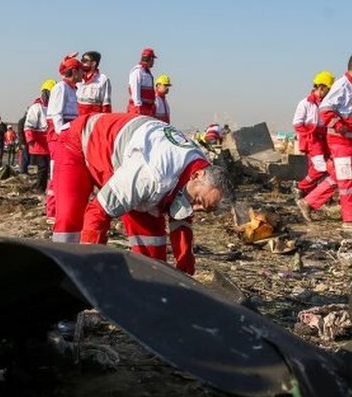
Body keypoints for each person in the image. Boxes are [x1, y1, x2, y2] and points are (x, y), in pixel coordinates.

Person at [51, 112, 232, 275]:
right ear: (196, 176)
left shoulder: (200, 167)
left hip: (125, 155)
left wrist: (185, 264)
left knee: (152, 249)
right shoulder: (152, 175)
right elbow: (98, 212)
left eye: (204, 208)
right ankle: (60, 275)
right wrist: (89, 267)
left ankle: (152, 290)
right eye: (198, 201)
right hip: (79, 142)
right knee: (70, 220)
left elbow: (181, 218)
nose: (195, 208)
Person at [299, 52, 352, 225]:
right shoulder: (343, 85)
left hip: (348, 142)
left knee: (340, 177)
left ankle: (307, 202)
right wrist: (339, 125)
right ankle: (351, 219)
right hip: (341, 142)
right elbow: (325, 108)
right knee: (347, 181)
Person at [47, 55, 83, 224]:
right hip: (59, 137)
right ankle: (52, 212)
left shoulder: (72, 88)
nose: (83, 73)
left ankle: (59, 210)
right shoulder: (60, 87)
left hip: (67, 134)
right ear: (74, 71)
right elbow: (56, 115)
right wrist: (63, 133)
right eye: (81, 70)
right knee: (56, 175)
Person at [291, 70, 333, 197]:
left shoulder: (327, 103)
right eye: (328, 89)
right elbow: (297, 123)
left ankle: (309, 193)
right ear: (321, 87)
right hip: (312, 138)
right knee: (321, 167)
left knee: (315, 167)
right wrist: (309, 135)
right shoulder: (305, 103)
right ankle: (301, 187)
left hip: (324, 138)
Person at [24, 79, 54, 210]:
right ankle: (39, 188)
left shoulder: (53, 107)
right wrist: (30, 140)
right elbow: (28, 126)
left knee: (49, 168)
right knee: (42, 168)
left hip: (50, 143)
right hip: (39, 144)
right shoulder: (36, 108)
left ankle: (46, 187)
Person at [77, 51, 112, 115]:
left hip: (93, 120)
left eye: (85, 61)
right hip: (77, 119)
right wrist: (67, 59)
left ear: (93, 63)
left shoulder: (103, 79)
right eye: (81, 60)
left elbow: (106, 105)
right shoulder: (77, 78)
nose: (82, 63)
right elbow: (65, 74)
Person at [127, 47, 157, 116]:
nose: (153, 62)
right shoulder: (137, 71)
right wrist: (138, 108)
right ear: (150, 59)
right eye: (153, 59)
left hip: (147, 109)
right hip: (139, 108)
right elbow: (135, 91)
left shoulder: (147, 73)